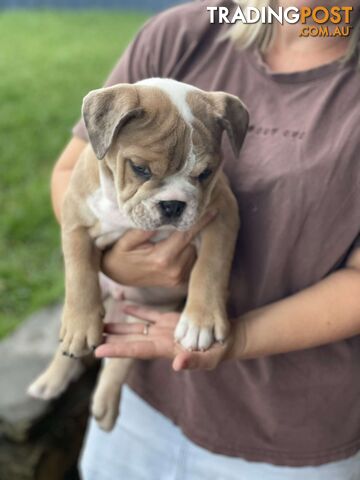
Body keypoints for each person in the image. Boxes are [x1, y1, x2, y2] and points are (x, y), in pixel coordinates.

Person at [51, 0, 360, 478]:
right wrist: (111, 264)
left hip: (290, 428)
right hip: (147, 396)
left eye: (202, 176)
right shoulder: (186, 30)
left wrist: (237, 339)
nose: (176, 199)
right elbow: (74, 174)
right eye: (143, 169)